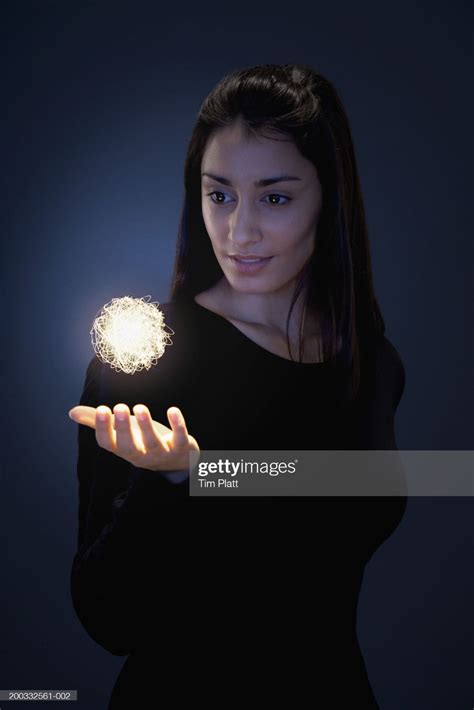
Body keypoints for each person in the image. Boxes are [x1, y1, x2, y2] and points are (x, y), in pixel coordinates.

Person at [69, 63, 407, 709]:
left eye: (274, 197)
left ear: (329, 197)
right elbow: (105, 619)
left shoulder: (374, 365)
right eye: (218, 194)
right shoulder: (143, 364)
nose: (238, 231)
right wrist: (172, 481)